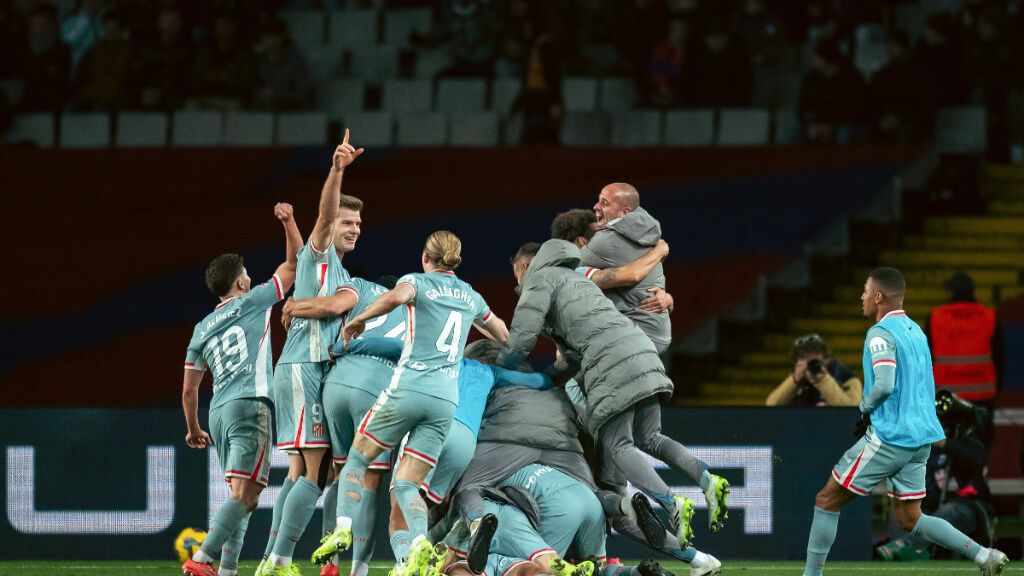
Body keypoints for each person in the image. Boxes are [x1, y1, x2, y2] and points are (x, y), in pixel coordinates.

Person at [497, 240, 729, 550]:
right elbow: (575, 354)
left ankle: (671, 502)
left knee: (618, 443)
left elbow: (520, 342)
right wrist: (549, 377)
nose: (517, 285)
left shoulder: (538, 280)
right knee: (651, 437)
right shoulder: (579, 278)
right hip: (640, 348)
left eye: (516, 276)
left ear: (526, 267)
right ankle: (706, 480)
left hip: (611, 362)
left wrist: (497, 373)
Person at [801, 267, 1008, 576]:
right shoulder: (915, 331)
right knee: (911, 518)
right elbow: (924, 385)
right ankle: (984, 555)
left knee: (826, 499)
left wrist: (866, 407)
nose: (862, 297)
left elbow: (884, 384)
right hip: (920, 440)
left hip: (890, 438)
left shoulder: (879, 334)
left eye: (866, 291)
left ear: (879, 296)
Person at [329, 231, 509, 576]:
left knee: (357, 457)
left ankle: (342, 528)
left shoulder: (417, 281)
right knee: (411, 485)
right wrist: (518, 351)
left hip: (410, 388)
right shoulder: (471, 295)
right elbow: (500, 332)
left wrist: (358, 320)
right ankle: (419, 545)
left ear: (426, 257)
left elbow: (395, 298)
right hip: (446, 402)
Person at [262, 132, 365, 576]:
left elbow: (334, 302)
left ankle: (314, 562)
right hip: (305, 367)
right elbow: (323, 217)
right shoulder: (321, 255)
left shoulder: (333, 268)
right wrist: (336, 169)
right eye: (347, 223)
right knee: (318, 473)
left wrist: (300, 307)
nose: (354, 229)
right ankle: (279, 560)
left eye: (359, 225)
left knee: (304, 470)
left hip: (306, 369)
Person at [180, 203, 301, 576]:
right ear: (241, 283)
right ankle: (202, 560)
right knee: (246, 495)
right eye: (246, 273)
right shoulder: (253, 300)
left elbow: (188, 391)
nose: (249, 277)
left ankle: (229, 570)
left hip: (218, 412)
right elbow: (294, 266)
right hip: (251, 404)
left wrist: (193, 427)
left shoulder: (201, 328)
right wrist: (288, 222)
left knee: (242, 497)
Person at [282, 274, 409, 576]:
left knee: (340, 475)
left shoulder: (360, 286)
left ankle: (328, 566)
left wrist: (293, 307)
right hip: (376, 389)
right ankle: (359, 570)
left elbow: (333, 306)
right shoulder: (410, 308)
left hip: (335, 386)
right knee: (369, 480)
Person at [926, 271, 1003, 404]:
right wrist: (996, 390)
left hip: (945, 395)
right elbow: (1000, 357)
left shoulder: (935, 317)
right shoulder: (989, 316)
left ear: (951, 293)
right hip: (982, 395)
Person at [765, 334, 862, 407]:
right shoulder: (795, 384)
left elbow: (851, 412)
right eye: (803, 359)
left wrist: (823, 380)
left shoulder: (847, 379)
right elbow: (771, 406)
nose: (809, 366)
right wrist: (794, 381)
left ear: (827, 359)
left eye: (814, 361)